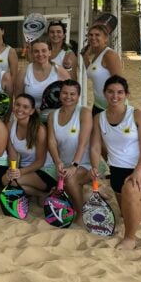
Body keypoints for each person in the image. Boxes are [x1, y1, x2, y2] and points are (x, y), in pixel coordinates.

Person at [91, 75, 141, 250]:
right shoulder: (99, 118)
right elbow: (96, 148)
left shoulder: (137, 115)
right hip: (118, 173)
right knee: (134, 215)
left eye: (120, 92)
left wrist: (137, 172)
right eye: (111, 92)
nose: (115, 96)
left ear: (126, 94)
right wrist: (94, 167)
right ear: (104, 93)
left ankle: (130, 239)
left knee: (131, 189)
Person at [46, 79, 93, 215]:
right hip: (62, 164)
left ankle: (80, 212)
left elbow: (83, 142)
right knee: (44, 198)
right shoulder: (52, 115)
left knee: (70, 180)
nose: (68, 97)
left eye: (72, 94)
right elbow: (51, 142)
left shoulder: (84, 112)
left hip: (83, 163)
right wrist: (58, 161)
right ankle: (88, 193)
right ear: (59, 94)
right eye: (65, 93)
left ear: (78, 96)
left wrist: (74, 165)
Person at [2, 94, 57, 199]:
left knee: (13, 182)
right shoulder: (10, 126)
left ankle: (44, 194)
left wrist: (20, 172)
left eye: (25, 107)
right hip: (25, 169)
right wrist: (12, 169)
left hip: (45, 169)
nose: (20, 109)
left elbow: (40, 161)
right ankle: (43, 195)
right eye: (17, 105)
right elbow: (12, 155)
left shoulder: (39, 130)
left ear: (32, 111)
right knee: (6, 179)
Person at [14, 38, 70, 110]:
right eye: (36, 51)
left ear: (49, 52)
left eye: (44, 51)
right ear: (32, 53)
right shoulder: (23, 72)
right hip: (31, 116)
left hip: (55, 116)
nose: (40, 54)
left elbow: (70, 96)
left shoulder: (60, 72)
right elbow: (18, 100)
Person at [82, 24, 123, 116]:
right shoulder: (96, 55)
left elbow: (119, 82)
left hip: (111, 105)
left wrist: (115, 105)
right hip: (98, 104)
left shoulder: (109, 55)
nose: (93, 37)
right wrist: (85, 57)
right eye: (91, 35)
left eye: (97, 35)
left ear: (106, 39)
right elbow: (90, 73)